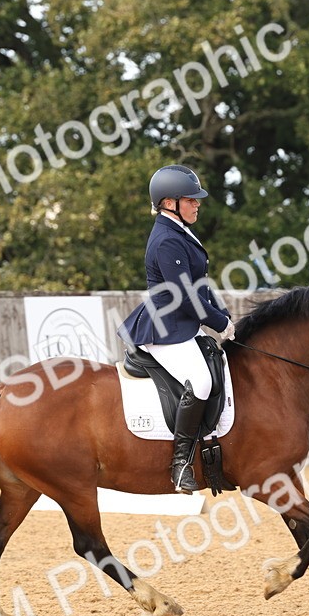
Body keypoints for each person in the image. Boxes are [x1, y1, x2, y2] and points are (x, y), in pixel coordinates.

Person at [118, 164, 236, 493]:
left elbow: (199, 284)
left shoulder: (180, 230)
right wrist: (217, 323)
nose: (198, 204)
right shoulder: (166, 240)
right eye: (191, 199)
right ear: (170, 203)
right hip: (165, 328)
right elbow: (184, 296)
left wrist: (222, 313)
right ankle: (181, 462)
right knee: (198, 382)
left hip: (183, 323)